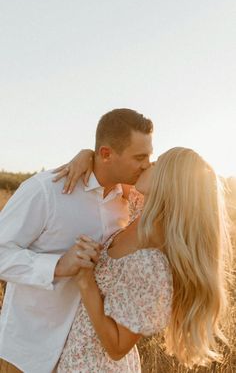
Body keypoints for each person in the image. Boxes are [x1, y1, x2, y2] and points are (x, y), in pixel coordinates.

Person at [0, 108, 153, 373]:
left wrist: (87, 153)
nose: (147, 164)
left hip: (86, 358)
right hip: (30, 353)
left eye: (149, 155)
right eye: (140, 157)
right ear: (106, 153)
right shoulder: (46, 191)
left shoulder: (131, 199)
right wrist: (58, 265)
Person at [54, 147, 232, 372]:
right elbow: (113, 170)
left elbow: (117, 347)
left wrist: (85, 280)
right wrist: (88, 154)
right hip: (75, 356)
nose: (147, 165)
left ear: (167, 183)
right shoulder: (143, 212)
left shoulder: (151, 263)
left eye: (156, 163)